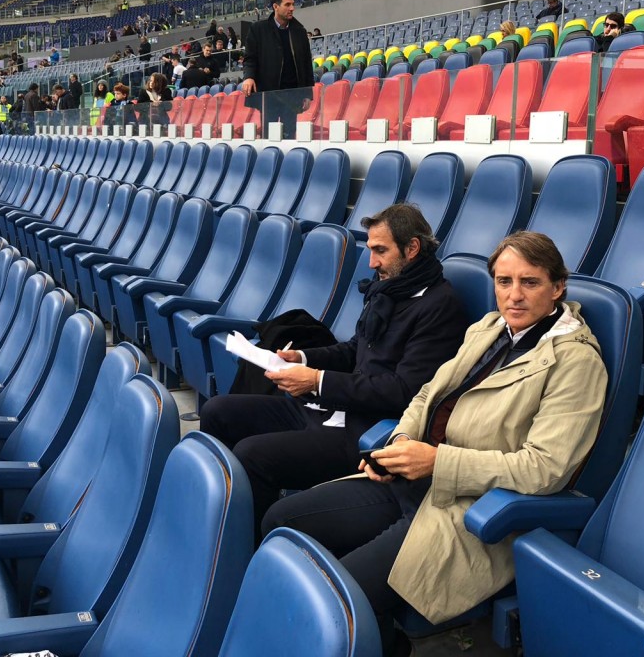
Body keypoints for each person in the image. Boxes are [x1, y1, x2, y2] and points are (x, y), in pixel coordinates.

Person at [263, 232, 608, 654]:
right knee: (281, 522)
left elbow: (544, 469)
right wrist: (401, 442)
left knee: (338, 598)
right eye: (504, 281)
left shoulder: (576, 362)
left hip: (467, 508)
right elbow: (427, 394)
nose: (514, 295)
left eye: (530, 282)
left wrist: (437, 461)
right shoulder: (489, 328)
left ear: (558, 287)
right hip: (413, 479)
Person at [200, 203, 470, 536]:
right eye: (370, 250)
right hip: (329, 408)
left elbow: (403, 391)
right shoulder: (387, 289)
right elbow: (354, 349)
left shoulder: (439, 307)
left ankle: (246, 546)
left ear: (412, 248)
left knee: (252, 455)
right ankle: (214, 518)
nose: (372, 262)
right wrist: (302, 358)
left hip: (364, 430)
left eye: (381, 251)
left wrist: (317, 381)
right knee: (218, 412)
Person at [240, 0, 314, 138]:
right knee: (268, 137)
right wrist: (249, 77)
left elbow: (306, 64)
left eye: (292, 4)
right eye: (287, 4)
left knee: (289, 137)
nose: (292, 8)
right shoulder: (258, 29)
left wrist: (307, 94)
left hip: (292, 94)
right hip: (268, 95)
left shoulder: (300, 31)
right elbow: (250, 58)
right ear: (275, 6)